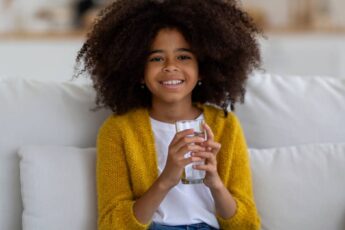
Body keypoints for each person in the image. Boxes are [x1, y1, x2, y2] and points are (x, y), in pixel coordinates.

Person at [76, 0, 262, 229]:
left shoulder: (225, 126)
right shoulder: (118, 130)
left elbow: (247, 225)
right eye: (156, 58)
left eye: (183, 57)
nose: (170, 66)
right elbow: (112, 225)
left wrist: (215, 183)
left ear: (202, 69)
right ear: (138, 71)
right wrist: (166, 179)